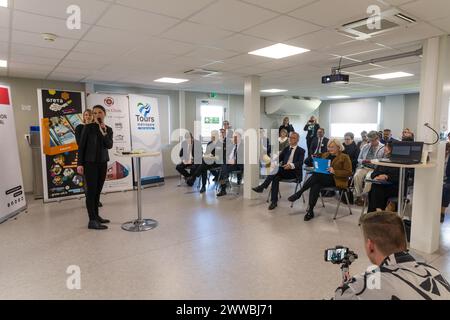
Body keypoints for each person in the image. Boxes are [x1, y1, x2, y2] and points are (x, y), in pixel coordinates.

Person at [335, 211, 450, 300]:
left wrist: (347, 286)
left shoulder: (359, 286)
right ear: (403, 241)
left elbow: (341, 295)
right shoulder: (434, 272)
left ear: (370, 245)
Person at [288, 139, 352, 221]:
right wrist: (313, 159)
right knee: (315, 184)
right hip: (322, 178)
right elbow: (307, 162)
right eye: (328, 147)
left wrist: (335, 171)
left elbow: (349, 172)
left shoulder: (344, 157)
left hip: (336, 180)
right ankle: (310, 211)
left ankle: (299, 193)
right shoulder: (325, 154)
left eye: (332, 147)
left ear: (339, 147)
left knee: (316, 176)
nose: (330, 149)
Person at [77, 105, 113, 230]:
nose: (98, 114)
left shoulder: (108, 129)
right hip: (89, 163)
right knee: (91, 192)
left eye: (100, 112)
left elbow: (109, 145)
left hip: (102, 163)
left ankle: (96, 216)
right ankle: (91, 220)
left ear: (104, 114)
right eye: (95, 112)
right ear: (93, 115)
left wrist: (104, 132)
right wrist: (79, 164)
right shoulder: (88, 128)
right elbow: (81, 147)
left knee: (98, 191)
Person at [252, 132, 305, 210]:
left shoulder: (301, 151)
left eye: (293, 138)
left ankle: (263, 186)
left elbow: (300, 163)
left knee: (276, 170)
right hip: (283, 171)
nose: (290, 139)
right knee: (275, 178)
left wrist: (291, 165)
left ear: (297, 140)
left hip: (294, 173)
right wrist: (273, 163)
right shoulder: (286, 149)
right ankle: (274, 201)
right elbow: (278, 159)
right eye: (290, 137)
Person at [354, 131, 385, 206]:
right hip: (364, 167)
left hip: (375, 169)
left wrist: (373, 161)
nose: (371, 142)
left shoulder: (383, 147)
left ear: (377, 138)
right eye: (370, 140)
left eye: (373, 140)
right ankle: (359, 196)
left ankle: (365, 196)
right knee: (357, 176)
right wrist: (363, 161)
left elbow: (384, 161)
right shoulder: (365, 146)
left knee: (369, 178)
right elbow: (359, 159)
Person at [367, 142, 400, 213]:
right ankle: (378, 212)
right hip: (381, 186)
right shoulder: (383, 161)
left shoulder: (399, 161)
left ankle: (376, 213)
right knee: (375, 187)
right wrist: (377, 176)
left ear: (391, 149)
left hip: (394, 187)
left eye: (386, 147)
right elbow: (373, 174)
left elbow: (399, 177)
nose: (384, 149)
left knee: (375, 188)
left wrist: (386, 176)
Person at [217, 132, 244, 197]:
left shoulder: (243, 146)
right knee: (223, 166)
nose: (234, 139)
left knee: (223, 170)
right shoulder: (231, 146)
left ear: (240, 138)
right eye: (233, 137)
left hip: (237, 165)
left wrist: (234, 161)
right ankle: (225, 182)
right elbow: (226, 155)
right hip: (229, 164)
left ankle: (223, 188)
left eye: (235, 137)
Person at [441, 156, 450, 223]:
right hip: (440, 176)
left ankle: (442, 213)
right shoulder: (444, 152)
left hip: (447, 179)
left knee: (446, 188)